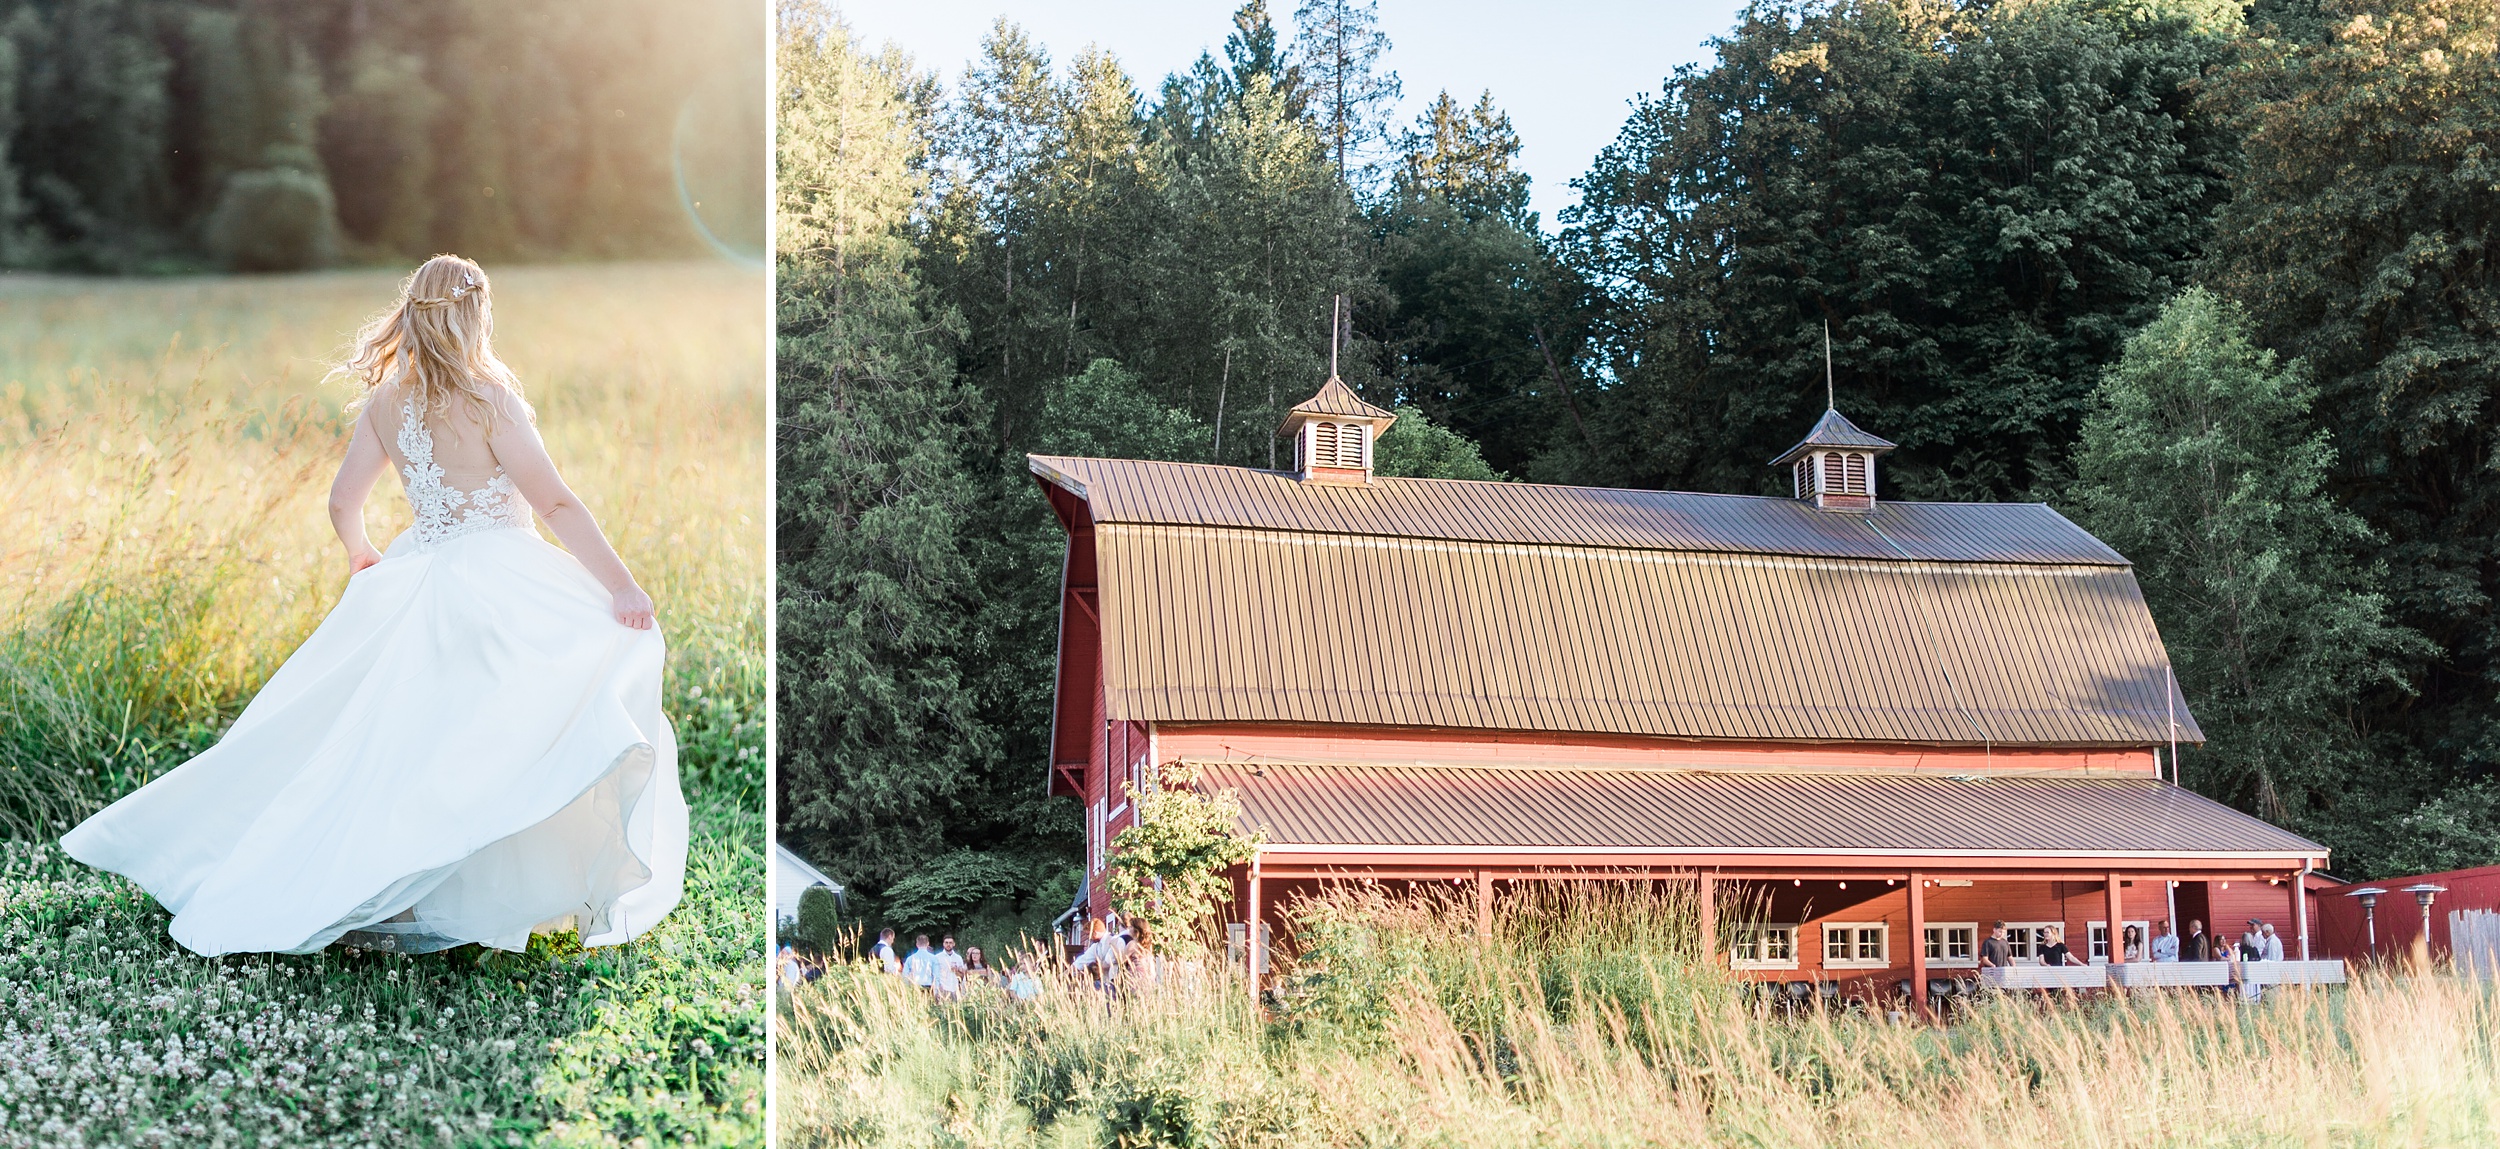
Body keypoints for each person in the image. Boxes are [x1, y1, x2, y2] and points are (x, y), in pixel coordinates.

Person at [60, 255, 686, 958]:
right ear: (476, 314)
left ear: (413, 314)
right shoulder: (491, 398)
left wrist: (363, 554)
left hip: (419, 570)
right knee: (513, 723)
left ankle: (403, 884)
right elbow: (557, 503)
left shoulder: (389, 401)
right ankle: (472, 887)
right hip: (499, 578)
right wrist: (622, 586)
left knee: (401, 739)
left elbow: (341, 500)